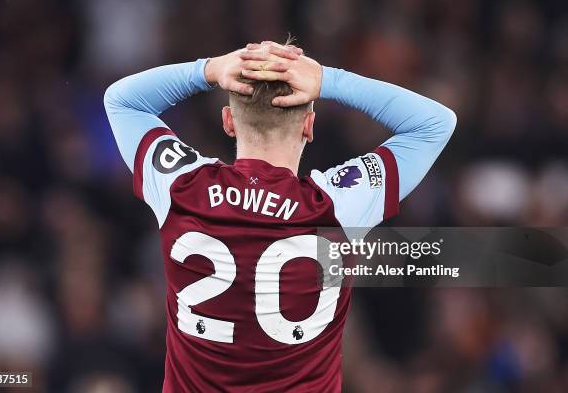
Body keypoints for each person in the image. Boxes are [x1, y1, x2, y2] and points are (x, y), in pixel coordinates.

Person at [103, 41, 456, 392]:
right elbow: (434, 123)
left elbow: (122, 100)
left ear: (228, 121)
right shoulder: (338, 203)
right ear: (309, 125)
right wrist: (328, 80)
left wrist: (209, 69)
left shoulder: (182, 186)